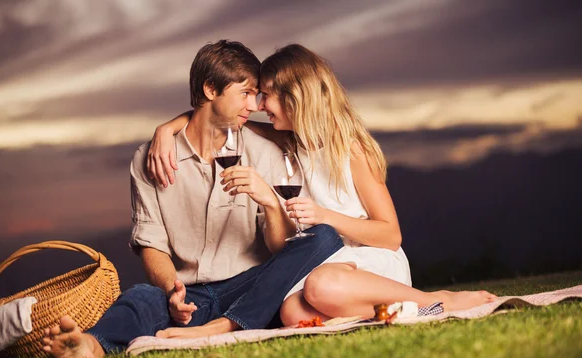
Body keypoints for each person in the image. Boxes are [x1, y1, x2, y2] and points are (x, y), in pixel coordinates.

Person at [149, 44, 497, 337]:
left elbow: (390, 235)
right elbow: (218, 115)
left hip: (367, 261)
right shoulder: (292, 141)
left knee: (320, 289)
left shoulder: (351, 148)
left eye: (266, 96)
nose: (257, 106)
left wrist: (325, 217)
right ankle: (384, 315)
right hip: (322, 264)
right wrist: (168, 128)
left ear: (294, 96)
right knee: (291, 312)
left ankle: (435, 299)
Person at [41, 40, 343, 358]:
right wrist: (173, 293)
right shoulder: (150, 159)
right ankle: (90, 345)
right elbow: (151, 243)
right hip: (190, 296)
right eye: (245, 93)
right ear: (211, 89)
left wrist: (270, 203)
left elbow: (281, 250)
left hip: (251, 287)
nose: (254, 104)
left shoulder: (264, 152)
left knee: (323, 236)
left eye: (257, 94)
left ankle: (227, 325)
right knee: (141, 297)